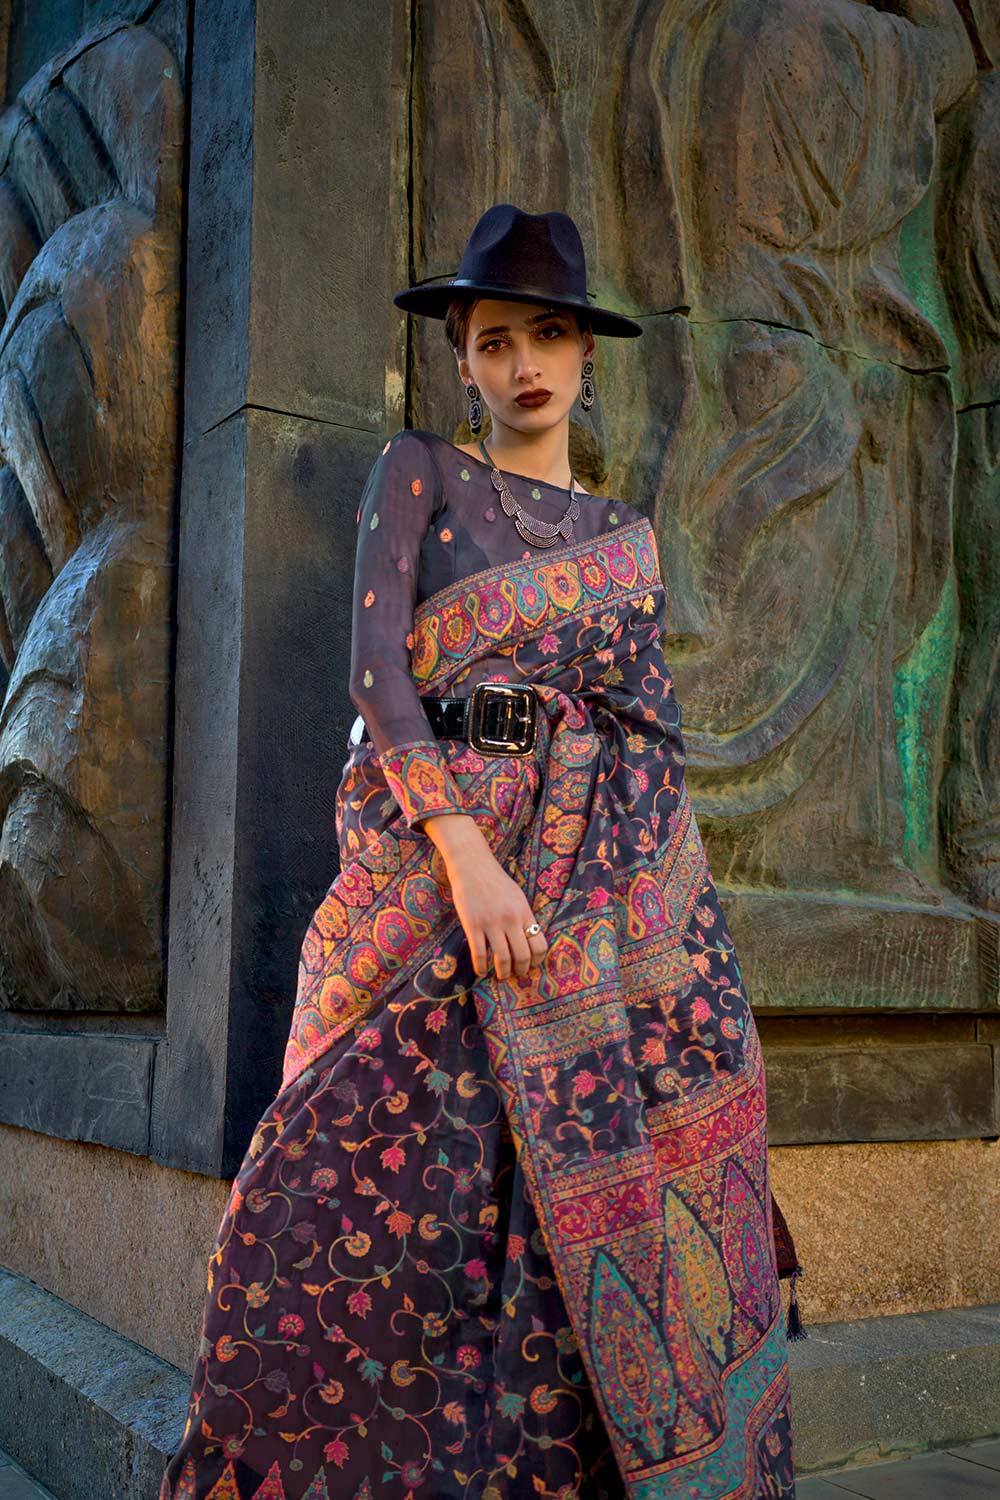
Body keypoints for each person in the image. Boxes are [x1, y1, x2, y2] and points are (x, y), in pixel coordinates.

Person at [159, 204, 801, 1500]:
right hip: (426, 864)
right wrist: (468, 858)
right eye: (496, 339)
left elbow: (647, 732)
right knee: (320, 1181)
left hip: (585, 901)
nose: (524, 364)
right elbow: (376, 671)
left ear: (584, 352)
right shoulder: (420, 475)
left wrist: (608, 903)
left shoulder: (626, 540)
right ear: (460, 354)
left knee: (547, 1202)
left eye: (547, 336)